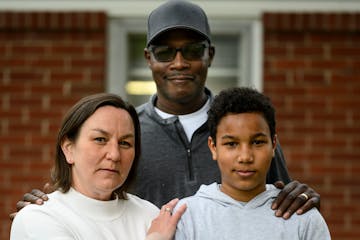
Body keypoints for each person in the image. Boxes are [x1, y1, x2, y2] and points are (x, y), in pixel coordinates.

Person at [12, 0, 319, 220]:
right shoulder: (126, 135)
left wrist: (302, 197)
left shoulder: (240, 132)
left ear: (210, 55)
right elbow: (82, 195)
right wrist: (47, 204)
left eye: (193, 50)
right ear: (148, 58)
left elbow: (281, 198)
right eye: (164, 52)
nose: (179, 63)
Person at [10, 93, 186, 240]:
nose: (115, 155)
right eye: (100, 139)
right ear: (68, 149)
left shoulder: (149, 215)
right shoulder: (38, 219)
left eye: (125, 143)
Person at [174, 87, 331, 240]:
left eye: (257, 142)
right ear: (213, 147)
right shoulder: (185, 217)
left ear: (274, 145)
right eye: (231, 144)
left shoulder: (303, 218)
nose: (245, 157)